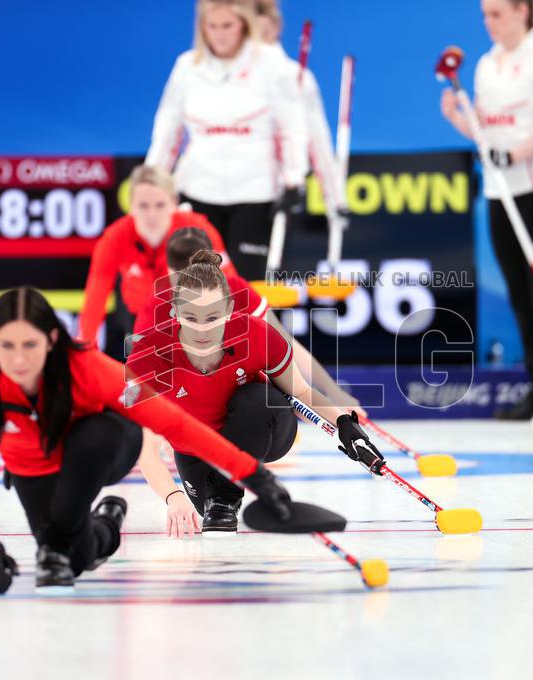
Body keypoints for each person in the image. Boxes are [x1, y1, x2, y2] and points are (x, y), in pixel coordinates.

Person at [0, 287, 293, 593]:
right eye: (7, 346)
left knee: (89, 448)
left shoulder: (87, 368)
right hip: (33, 466)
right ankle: (107, 524)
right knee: (76, 557)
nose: (19, 360)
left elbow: (173, 423)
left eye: (30, 345)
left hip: (106, 445)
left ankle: (55, 544)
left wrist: (253, 474)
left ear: (51, 339)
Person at [127, 250, 382, 533]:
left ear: (229, 309)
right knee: (206, 510)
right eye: (190, 317)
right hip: (198, 451)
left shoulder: (256, 333)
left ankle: (225, 497)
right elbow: (144, 444)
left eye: (212, 317)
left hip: (265, 430)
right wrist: (173, 496)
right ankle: (220, 494)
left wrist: (343, 423)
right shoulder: (149, 354)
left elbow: (300, 391)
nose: (202, 330)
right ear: (174, 311)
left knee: (258, 398)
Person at [440, 0, 533, 422]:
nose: (489, 22)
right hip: (500, 193)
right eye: (485, 14)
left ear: (522, 11)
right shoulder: (486, 64)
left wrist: (515, 155)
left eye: (497, 13)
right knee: (519, 291)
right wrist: (456, 118)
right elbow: (486, 134)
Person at [146, 0, 308, 280]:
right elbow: (168, 127)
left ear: (243, 25)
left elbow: (292, 126)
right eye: (212, 26)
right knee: (198, 285)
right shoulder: (187, 66)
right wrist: (153, 180)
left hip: (256, 194)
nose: (219, 34)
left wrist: (295, 178)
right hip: (198, 191)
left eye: (227, 26)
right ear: (202, 27)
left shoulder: (271, 64)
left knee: (246, 286)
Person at [134, 226, 366, 418]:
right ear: (168, 272)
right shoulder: (153, 308)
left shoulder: (237, 290)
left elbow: (285, 344)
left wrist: (334, 394)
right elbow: (141, 382)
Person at [79, 165, 236, 349]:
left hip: (192, 317)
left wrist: (236, 334)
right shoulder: (114, 238)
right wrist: (85, 347)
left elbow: (230, 283)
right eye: (143, 205)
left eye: (160, 205)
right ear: (131, 205)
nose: (151, 215)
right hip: (139, 318)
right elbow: (96, 296)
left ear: (173, 203)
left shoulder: (198, 231)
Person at [252, 0, 350, 223]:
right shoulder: (215, 76)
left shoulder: (294, 77)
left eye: (263, 34)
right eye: (251, 36)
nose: (258, 45)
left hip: (269, 192)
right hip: (212, 192)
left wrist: (336, 200)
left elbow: (319, 142)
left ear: (276, 28)